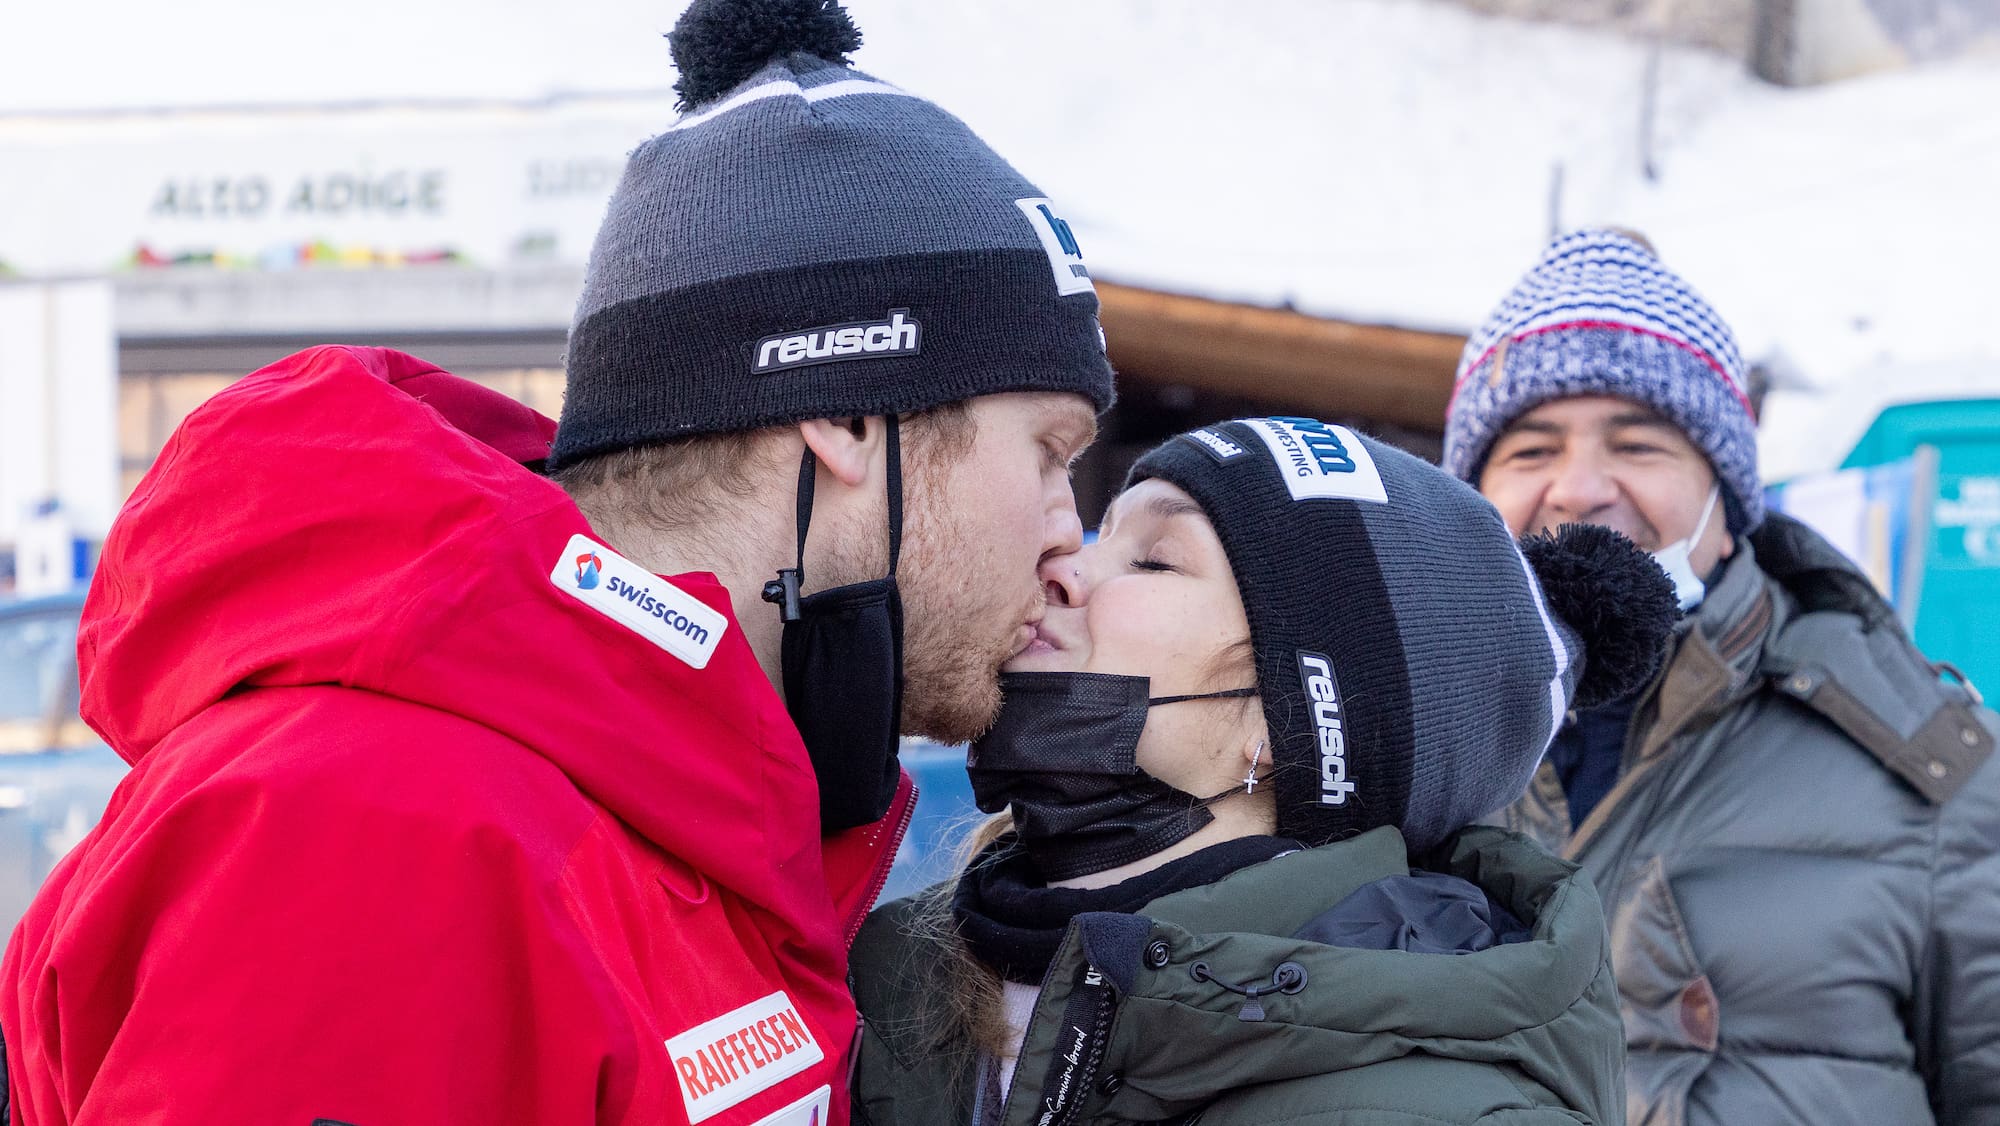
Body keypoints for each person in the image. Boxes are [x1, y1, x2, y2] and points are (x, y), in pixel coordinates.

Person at [0, 2, 1113, 1123]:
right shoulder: (379, 839)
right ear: (849, 418)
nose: (1071, 534)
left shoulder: (698, 805)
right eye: (1049, 451)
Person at [850, 416, 1679, 1126]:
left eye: (1153, 561)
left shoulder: (1441, 1107)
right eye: (1106, 531)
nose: (1063, 564)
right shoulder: (878, 983)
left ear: (1290, 722)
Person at [1444, 227, 2000, 1125]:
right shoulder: (1386, 760)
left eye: (1639, 445)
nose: (1581, 489)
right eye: (1531, 451)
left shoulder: (1943, 775)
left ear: (1729, 501)